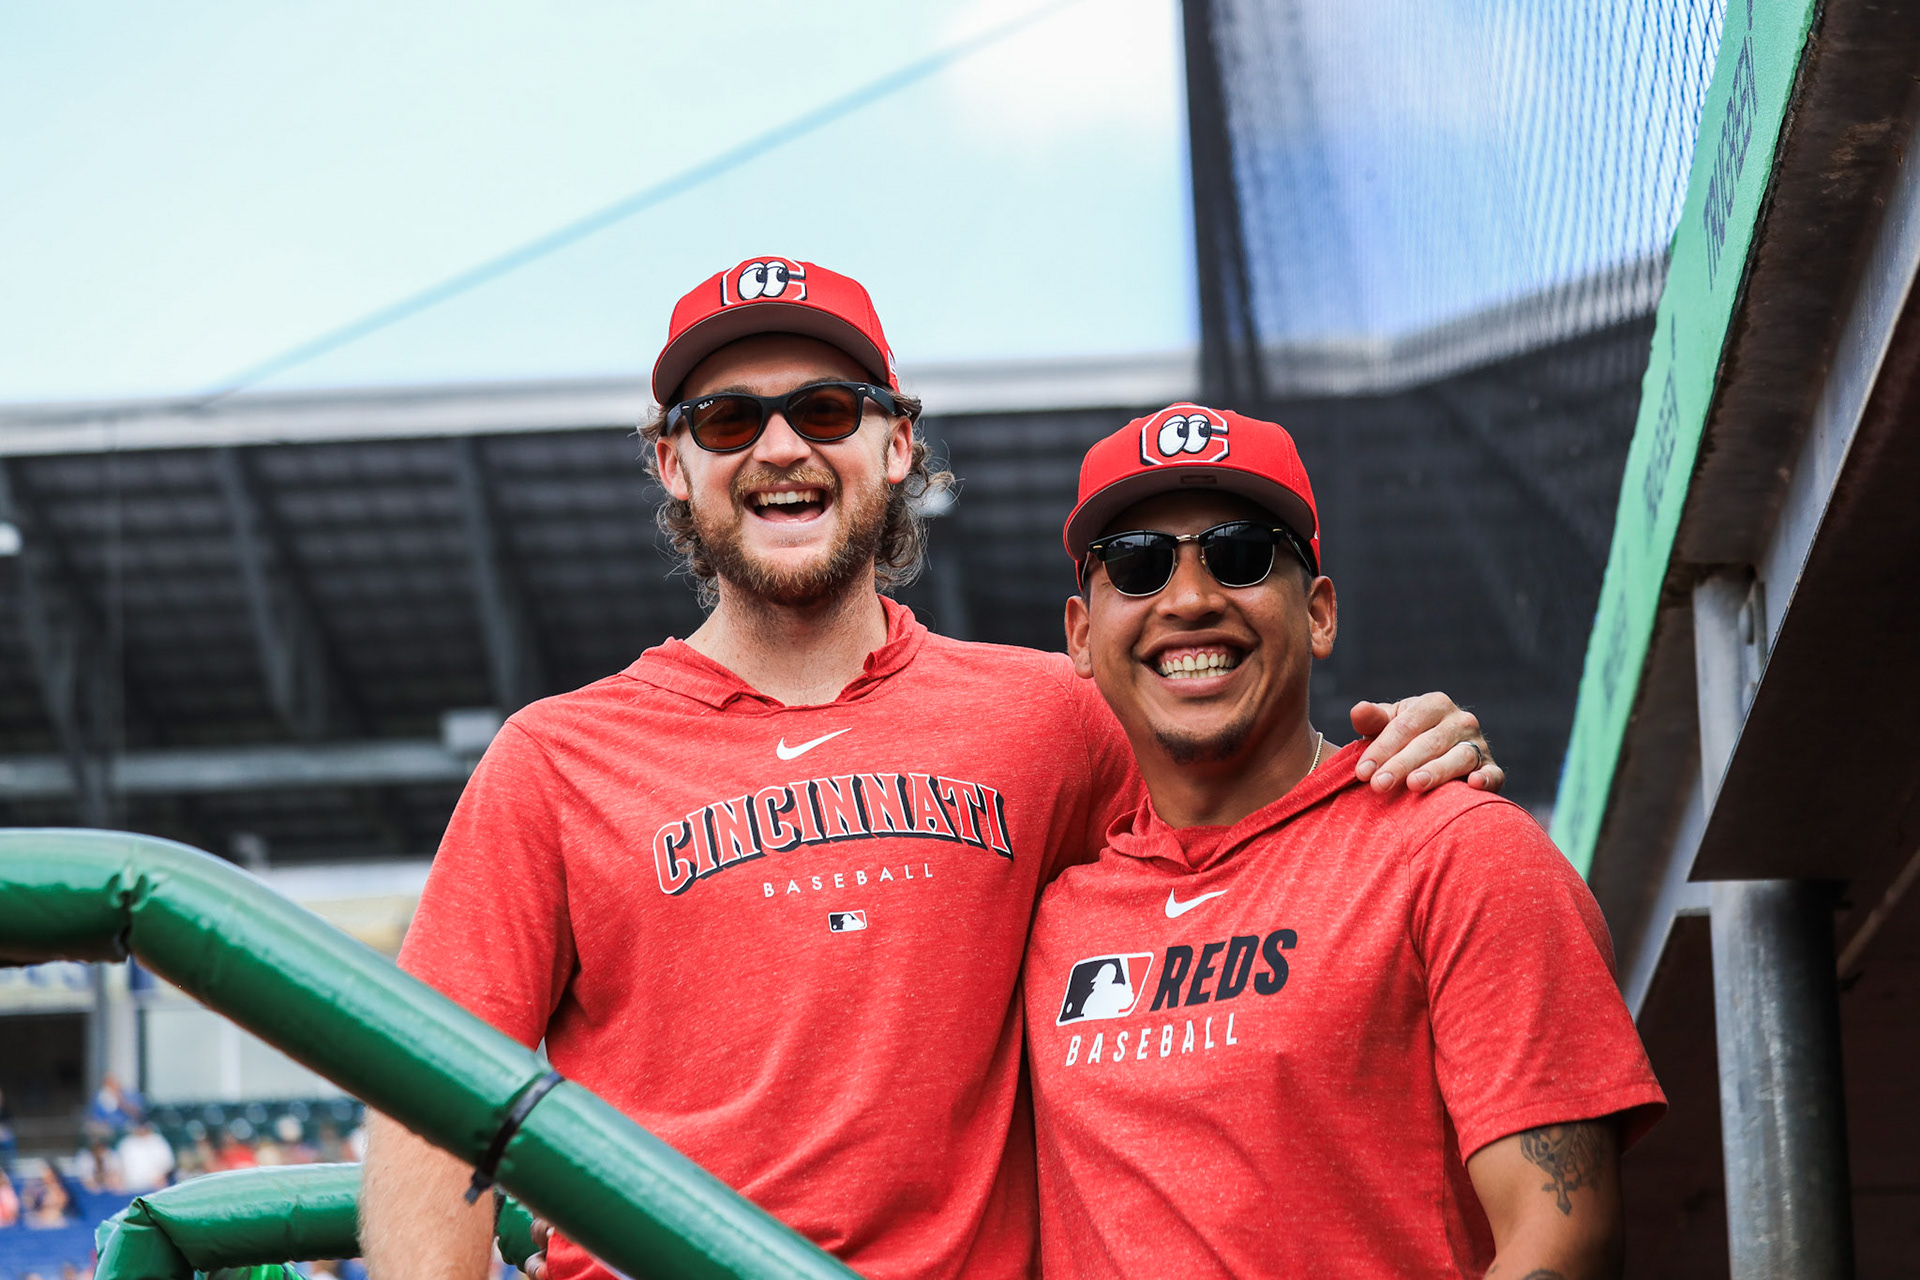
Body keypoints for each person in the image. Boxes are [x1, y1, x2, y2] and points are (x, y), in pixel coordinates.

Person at [360, 257, 1503, 1280]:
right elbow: (429, 1104)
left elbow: (1254, 810)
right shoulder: (553, 760)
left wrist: (1400, 749)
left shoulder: (1055, 717)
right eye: (724, 421)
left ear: (897, 444)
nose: (779, 448)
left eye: (824, 409)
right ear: (672, 464)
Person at [1024, 405, 1665, 1277]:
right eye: (1136, 568)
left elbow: (1564, 1237)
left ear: (1320, 614)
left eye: (1240, 554)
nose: (1190, 599)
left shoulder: (1460, 849)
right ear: (1080, 638)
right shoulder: (1046, 912)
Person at [115, 1118, 175, 1193]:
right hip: (131, 1187)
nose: (141, 1129)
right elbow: (117, 1167)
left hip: (154, 1187)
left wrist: (161, 1177)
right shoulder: (125, 1143)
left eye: (143, 1127)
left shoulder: (158, 1141)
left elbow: (168, 1164)